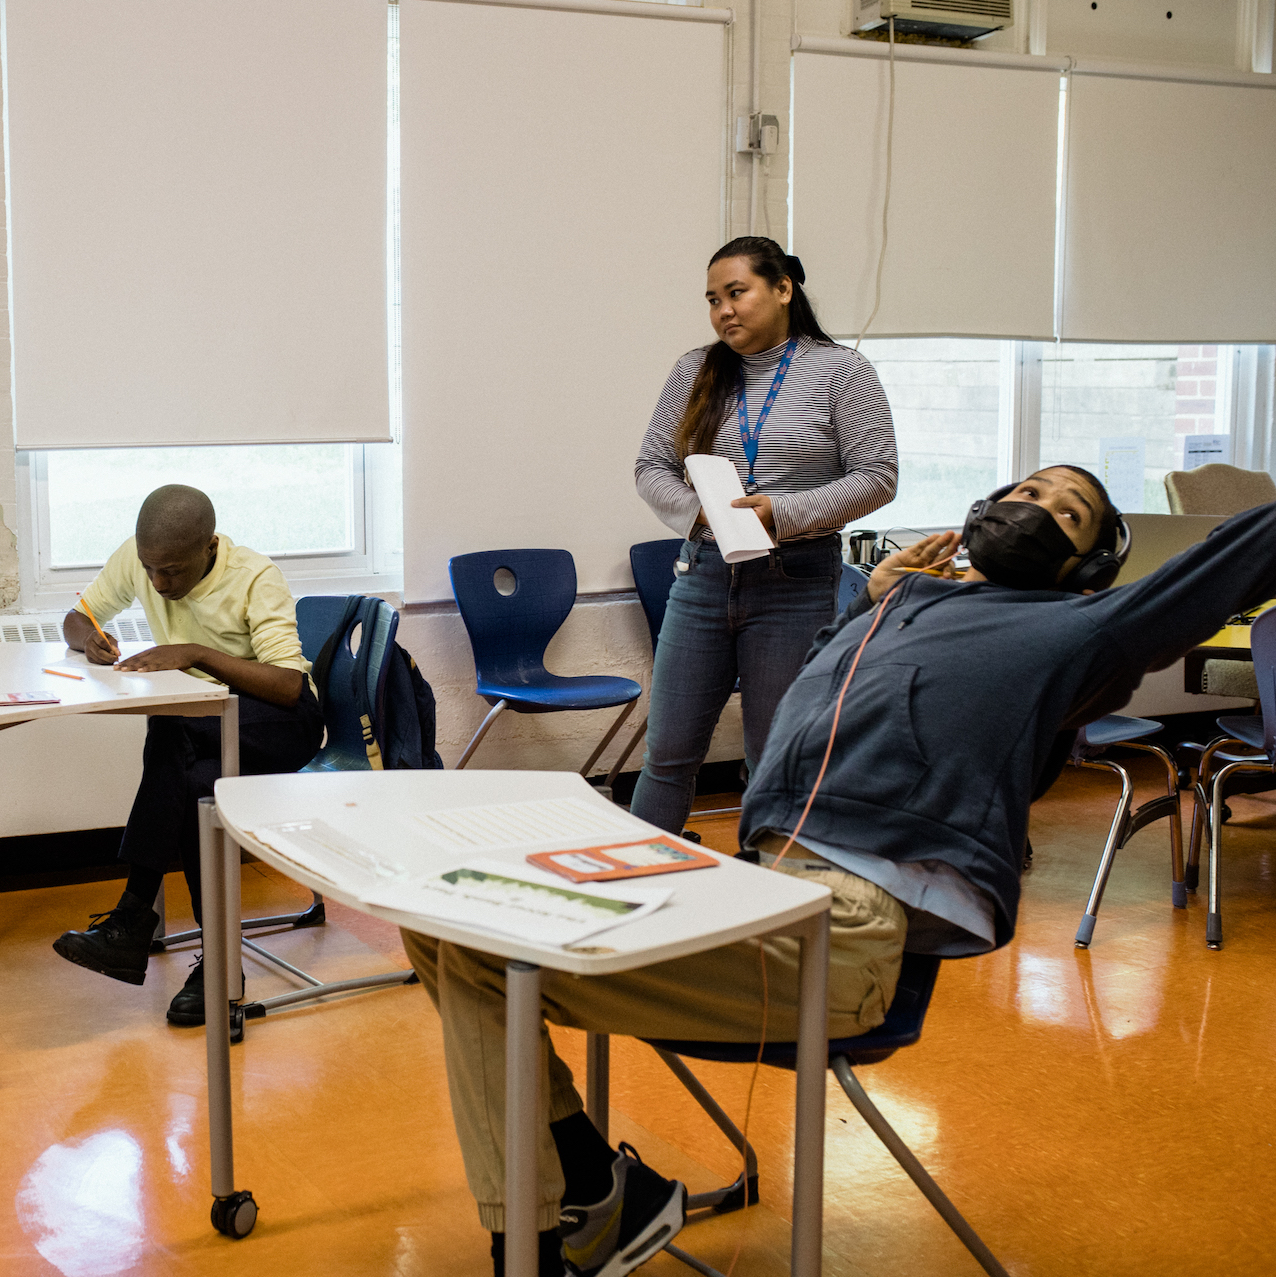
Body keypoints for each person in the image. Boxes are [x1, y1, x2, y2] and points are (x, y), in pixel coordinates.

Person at [406, 465, 1276, 1277]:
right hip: (753, 883)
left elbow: (1231, 563)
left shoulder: (1078, 634)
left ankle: (549, 1229)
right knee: (449, 930)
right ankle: (594, 1196)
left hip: (849, 936)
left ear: (1088, 567)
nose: (1035, 506)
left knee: (490, 962)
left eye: (1067, 512)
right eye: (1029, 487)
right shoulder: (905, 608)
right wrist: (871, 598)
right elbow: (821, 693)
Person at [631, 236, 897, 836]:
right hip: (703, 574)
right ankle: (637, 887)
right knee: (667, 754)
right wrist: (698, 512)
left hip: (794, 582)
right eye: (712, 299)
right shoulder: (697, 370)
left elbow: (879, 475)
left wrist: (783, 512)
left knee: (773, 761)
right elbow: (651, 467)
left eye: (737, 292)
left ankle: (766, 901)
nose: (724, 310)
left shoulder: (840, 371)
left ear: (782, 289)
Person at [51, 484, 323, 1027]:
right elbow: (76, 617)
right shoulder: (142, 558)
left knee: (171, 730)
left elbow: (290, 687)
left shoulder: (255, 577)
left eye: (171, 571)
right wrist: (91, 640)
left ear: (209, 546)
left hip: (278, 721)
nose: (157, 583)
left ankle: (132, 920)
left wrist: (198, 653)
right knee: (196, 789)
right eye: (149, 568)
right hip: (203, 727)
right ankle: (219, 965)